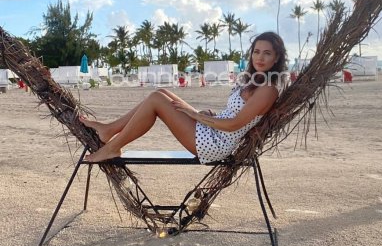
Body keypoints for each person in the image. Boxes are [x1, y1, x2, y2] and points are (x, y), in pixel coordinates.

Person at [80, 32, 288, 164]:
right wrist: (210, 115)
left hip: (215, 144)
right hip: (214, 130)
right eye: (256, 52)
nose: (260, 57)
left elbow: (234, 124)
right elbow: (235, 114)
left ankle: (112, 147)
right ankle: (109, 130)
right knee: (161, 93)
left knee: (156, 99)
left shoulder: (268, 89)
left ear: (276, 57)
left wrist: (195, 115)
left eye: (267, 53)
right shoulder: (254, 81)